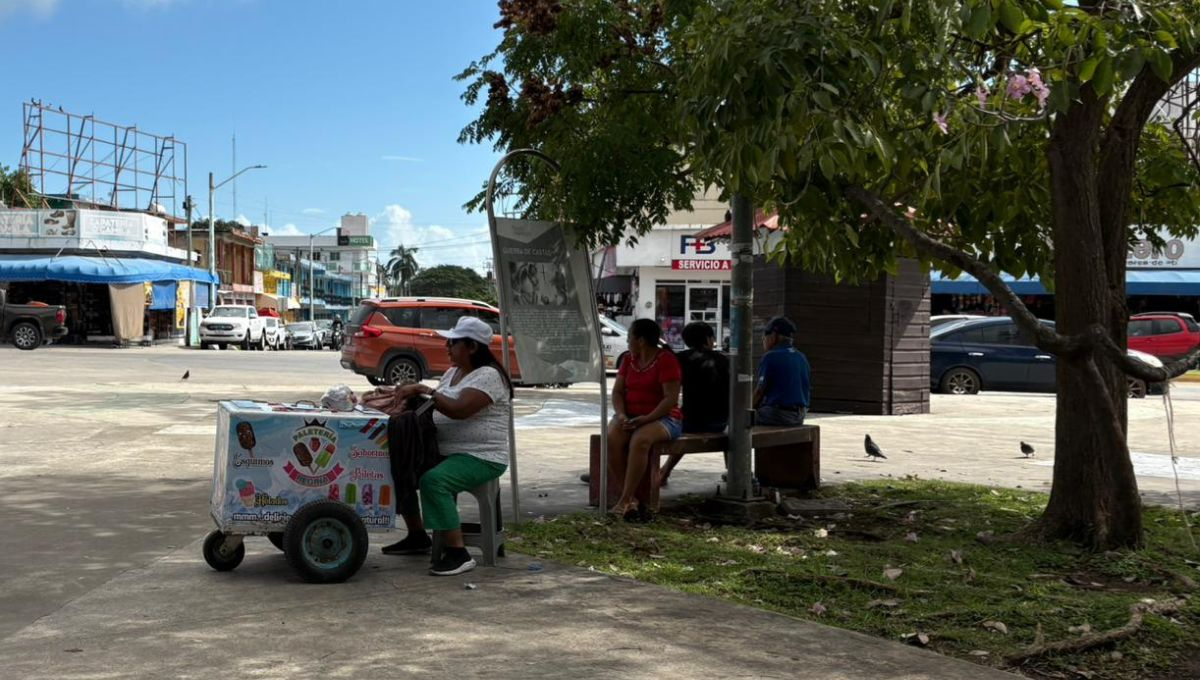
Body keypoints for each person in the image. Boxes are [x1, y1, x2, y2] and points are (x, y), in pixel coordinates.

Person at [379, 316, 513, 576]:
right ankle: (417, 535)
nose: (446, 347)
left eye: (452, 343)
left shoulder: (489, 376)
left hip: (480, 456)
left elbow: (459, 410)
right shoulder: (453, 373)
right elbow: (437, 401)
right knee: (400, 464)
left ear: (472, 347)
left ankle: (458, 552)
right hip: (446, 451)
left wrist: (423, 390)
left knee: (434, 481)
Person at [608, 318, 682, 521]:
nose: (627, 342)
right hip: (631, 415)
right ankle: (630, 498)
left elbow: (670, 399)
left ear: (640, 340)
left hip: (664, 418)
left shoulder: (666, 360)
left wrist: (646, 418)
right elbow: (617, 392)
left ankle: (624, 500)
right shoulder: (628, 360)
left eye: (629, 337)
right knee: (612, 437)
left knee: (640, 440)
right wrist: (622, 415)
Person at [659, 321, 729, 487]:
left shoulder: (681, 359)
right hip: (721, 421)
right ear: (707, 339)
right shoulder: (723, 360)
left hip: (692, 422)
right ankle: (732, 470)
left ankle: (664, 472)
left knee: (677, 426)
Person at [754, 316, 811, 426]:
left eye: (764, 337)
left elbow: (760, 391)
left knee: (738, 419)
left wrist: (747, 411)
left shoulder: (770, 356)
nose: (763, 341)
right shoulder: (801, 357)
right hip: (800, 415)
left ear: (774, 335)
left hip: (778, 414)